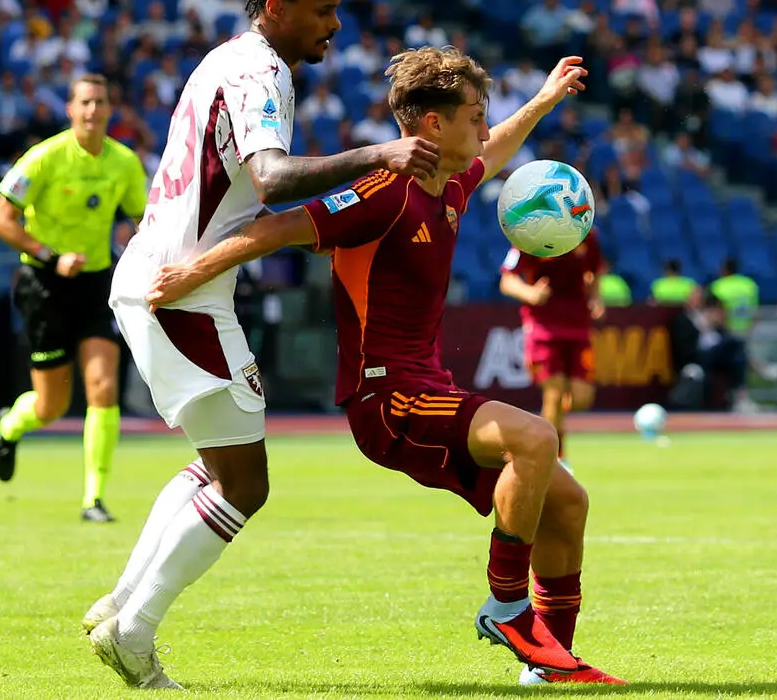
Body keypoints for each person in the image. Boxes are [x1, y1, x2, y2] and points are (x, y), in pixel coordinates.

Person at [138, 48, 624, 686]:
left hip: (427, 390)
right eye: (474, 117)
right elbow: (283, 227)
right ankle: (507, 607)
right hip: (386, 401)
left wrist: (544, 98)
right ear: (431, 125)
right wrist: (191, 271)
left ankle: (549, 665)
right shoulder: (384, 193)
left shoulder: (447, 185)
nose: (483, 130)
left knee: (567, 502)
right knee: (537, 439)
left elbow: (495, 150)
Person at [83, 0, 439, 689]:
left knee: (219, 464)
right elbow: (272, 176)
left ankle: (121, 602)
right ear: (276, 8)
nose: (335, 25)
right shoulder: (259, 71)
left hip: (162, 277)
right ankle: (134, 632)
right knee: (245, 484)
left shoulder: (223, 60)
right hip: (183, 291)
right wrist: (381, 152)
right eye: (323, 9)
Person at [0, 74, 149, 523]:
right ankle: (9, 426)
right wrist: (50, 255)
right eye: (85, 102)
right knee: (51, 406)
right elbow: (0, 220)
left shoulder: (124, 162)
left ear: (110, 109)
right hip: (44, 285)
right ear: (70, 109)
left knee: (103, 387)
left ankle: (93, 499)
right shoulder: (43, 158)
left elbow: (143, 221)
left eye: (100, 101)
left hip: (95, 284)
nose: (93, 110)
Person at [499, 226, 606, 471]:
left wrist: (596, 296)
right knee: (554, 395)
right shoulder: (531, 232)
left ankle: (545, 430)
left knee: (581, 399)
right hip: (543, 327)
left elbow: (595, 270)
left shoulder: (587, 234)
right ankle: (555, 459)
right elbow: (507, 279)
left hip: (578, 325)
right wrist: (530, 293)